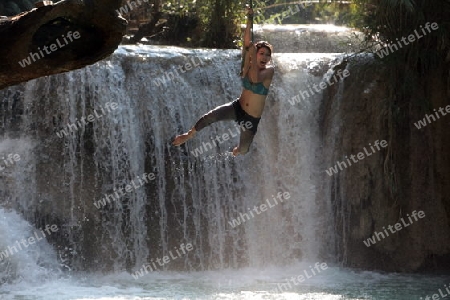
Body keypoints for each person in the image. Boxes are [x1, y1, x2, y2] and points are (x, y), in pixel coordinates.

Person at [172, 7, 274, 156]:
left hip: (251, 119)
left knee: (243, 150)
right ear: (256, 55)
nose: (265, 57)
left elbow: (255, 79)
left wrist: (251, 56)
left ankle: (238, 150)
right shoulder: (247, 65)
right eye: (262, 53)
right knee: (210, 116)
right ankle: (189, 134)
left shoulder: (269, 71)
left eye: (267, 55)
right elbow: (247, 43)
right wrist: (249, 18)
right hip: (238, 107)